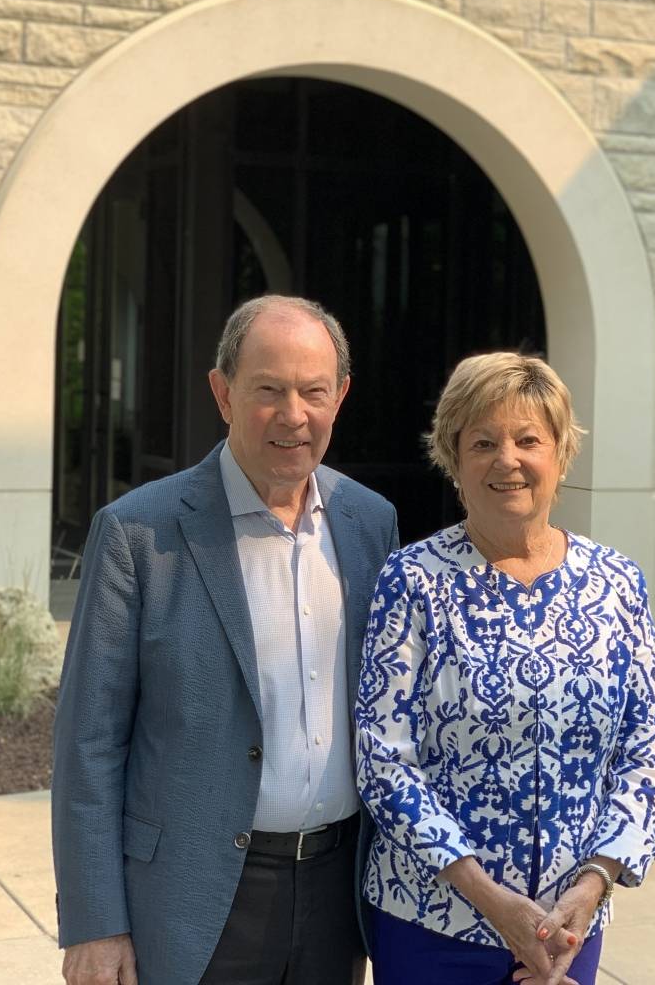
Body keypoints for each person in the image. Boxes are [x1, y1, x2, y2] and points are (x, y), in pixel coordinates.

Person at [52, 295, 398, 985]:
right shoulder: (138, 533)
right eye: (268, 390)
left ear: (342, 398)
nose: (292, 415)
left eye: (312, 392)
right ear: (222, 392)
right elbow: (88, 743)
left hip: (337, 894)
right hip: (193, 897)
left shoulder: (371, 522)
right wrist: (96, 923)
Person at [356, 352, 655, 985]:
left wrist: (593, 885)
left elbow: (652, 744)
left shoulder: (615, 583)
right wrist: (493, 903)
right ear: (454, 459)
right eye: (483, 442)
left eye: (528, 439)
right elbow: (383, 757)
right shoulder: (412, 581)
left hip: (569, 926)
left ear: (560, 454)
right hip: (432, 924)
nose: (508, 460)